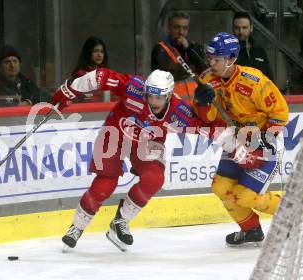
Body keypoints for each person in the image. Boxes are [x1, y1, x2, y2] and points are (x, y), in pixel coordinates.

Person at [50, 68, 211, 251]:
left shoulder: (178, 110)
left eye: (159, 98)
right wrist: (71, 90)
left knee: (154, 178)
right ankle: (77, 227)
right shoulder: (133, 87)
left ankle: (120, 221)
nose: (153, 101)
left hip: (148, 141)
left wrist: (204, 105)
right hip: (115, 133)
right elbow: (100, 76)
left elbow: (204, 125)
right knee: (105, 184)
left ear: (168, 95)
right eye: (150, 96)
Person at [192, 32, 289, 246]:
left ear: (232, 58)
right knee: (221, 187)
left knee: (245, 196)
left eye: (217, 59)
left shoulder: (254, 81)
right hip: (237, 142)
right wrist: (202, 102)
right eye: (209, 58)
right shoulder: (207, 80)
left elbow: (280, 112)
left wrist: (264, 137)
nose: (211, 63)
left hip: (265, 144)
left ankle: (289, 214)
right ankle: (251, 230)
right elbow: (206, 118)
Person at [151, 11, 206, 81]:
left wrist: (189, 48)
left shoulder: (195, 48)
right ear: (169, 28)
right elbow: (165, 74)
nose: (181, 32)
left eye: (185, 28)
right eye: (177, 28)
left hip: (194, 91)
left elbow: (204, 69)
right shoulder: (160, 49)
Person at [232, 11, 273, 81]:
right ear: (232, 28)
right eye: (237, 28)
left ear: (251, 28)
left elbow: (269, 77)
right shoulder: (226, 50)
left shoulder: (259, 49)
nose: (241, 31)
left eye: (244, 27)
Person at [71, 36, 114, 102]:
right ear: (88, 53)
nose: (99, 55)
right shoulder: (80, 75)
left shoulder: (108, 73)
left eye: (102, 52)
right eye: (95, 51)